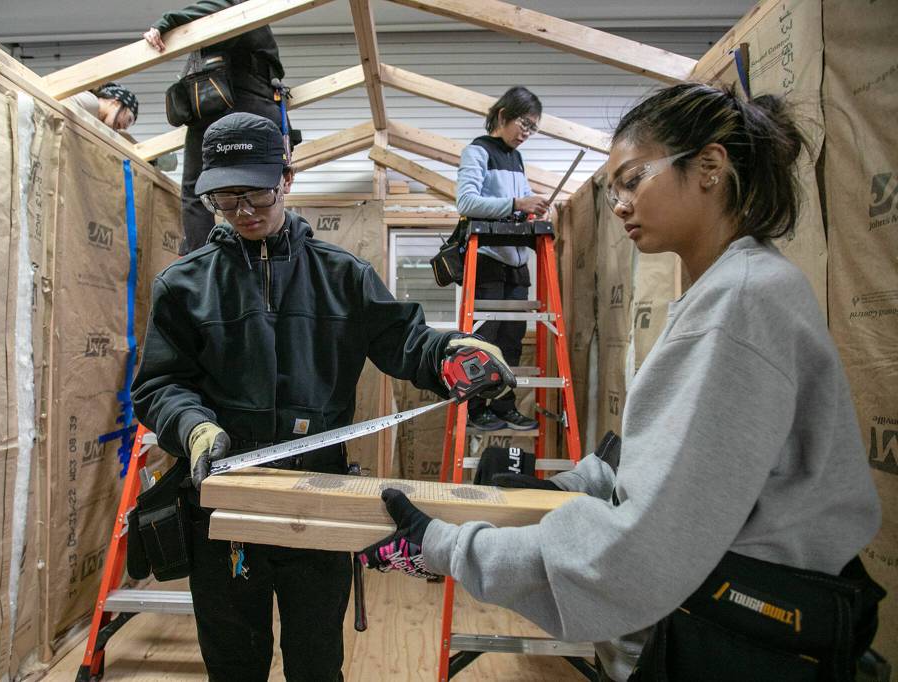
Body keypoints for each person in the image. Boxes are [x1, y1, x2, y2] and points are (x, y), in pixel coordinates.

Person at [359, 83, 885, 681]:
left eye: (634, 179)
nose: (620, 205)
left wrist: (444, 547)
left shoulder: (738, 304)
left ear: (709, 167)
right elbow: (676, 465)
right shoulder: (731, 289)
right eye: (613, 191)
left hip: (747, 641)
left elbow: (640, 552)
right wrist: (562, 485)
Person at [130, 112, 515, 681]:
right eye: (225, 199)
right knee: (233, 665)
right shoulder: (184, 285)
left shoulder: (342, 277)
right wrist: (192, 427)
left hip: (319, 496)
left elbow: (406, 342)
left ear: (286, 178)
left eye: (256, 193)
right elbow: (159, 385)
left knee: (317, 663)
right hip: (224, 501)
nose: (243, 212)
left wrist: (451, 353)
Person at [144, 1, 289, 255]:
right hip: (261, 105)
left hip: (228, 101)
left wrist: (165, 22)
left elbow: (216, 6)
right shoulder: (256, 22)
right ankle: (266, 257)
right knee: (264, 182)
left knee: (195, 188)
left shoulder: (238, 7)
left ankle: (200, 264)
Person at [456, 86, 550, 432]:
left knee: (511, 338)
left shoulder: (517, 159)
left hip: (515, 262)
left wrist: (532, 207)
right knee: (485, 338)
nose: (527, 133)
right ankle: (476, 408)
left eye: (533, 128)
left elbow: (520, 202)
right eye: (524, 124)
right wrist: (516, 205)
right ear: (502, 116)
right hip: (488, 260)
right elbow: (466, 203)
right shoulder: (478, 151)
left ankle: (504, 405)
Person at [66, 81, 138, 131]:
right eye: (129, 119)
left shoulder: (94, 117)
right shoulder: (93, 103)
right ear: (116, 103)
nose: (125, 127)